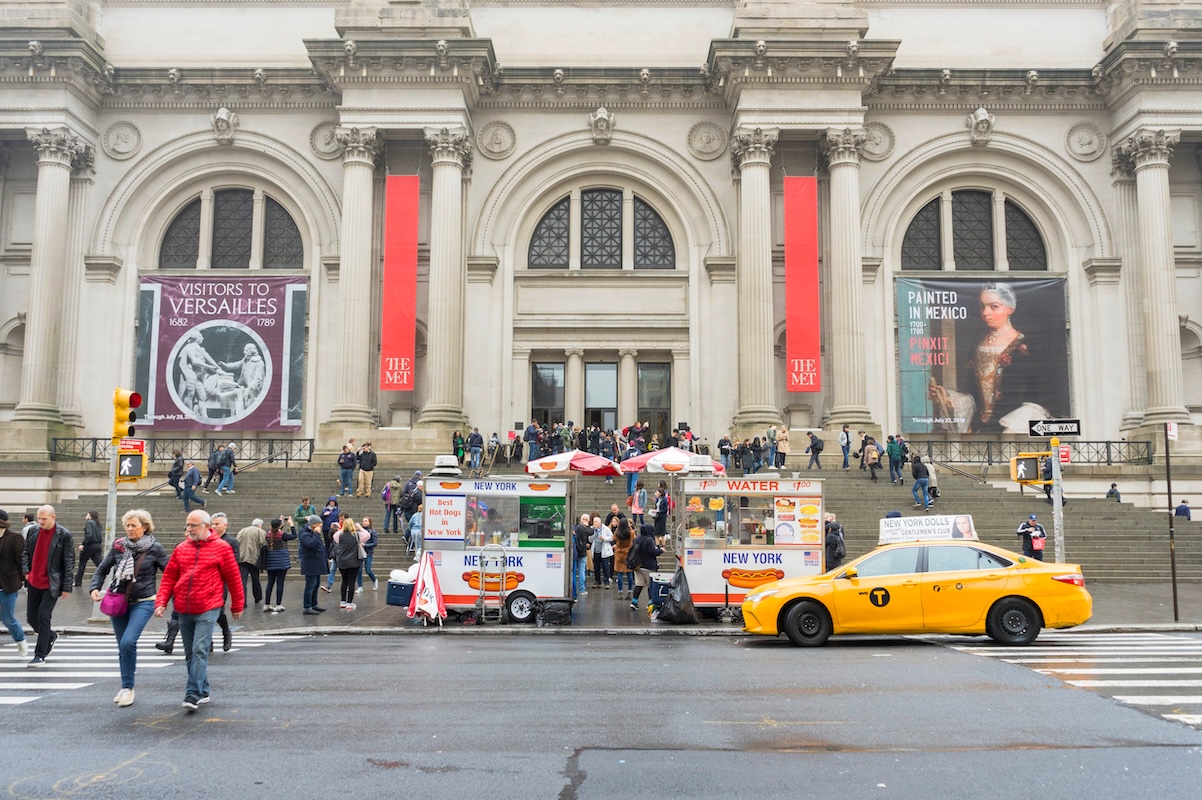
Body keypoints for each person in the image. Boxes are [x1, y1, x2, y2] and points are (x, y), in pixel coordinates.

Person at [928, 281, 1057, 433]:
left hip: (1014, 426)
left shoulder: (1027, 346)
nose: (985, 312)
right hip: (982, 428)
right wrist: (948, 401)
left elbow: (1038, 391)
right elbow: (973, 395)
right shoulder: (977, 345)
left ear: (1010, 308)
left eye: (993, 306)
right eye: (982, 306)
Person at [155, 509, 245, 711]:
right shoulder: (181, 548)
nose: (189, 529)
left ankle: (192, 693)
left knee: (199, 649)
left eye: (193, 525)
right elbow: (169, 577)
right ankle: (203, 690)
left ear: (207, 527)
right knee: (190, 652)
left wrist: (237, 604)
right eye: (187, 525)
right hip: (183, 608)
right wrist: (161, 601)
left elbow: (233, 578)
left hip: (208, 606)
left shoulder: (222, 548)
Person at [89, 508, 169, 708]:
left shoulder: (155, 548)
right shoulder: (118, 547)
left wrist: (163, 600)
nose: (130, 529)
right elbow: (102, 569)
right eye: (127, 525)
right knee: (122, 646)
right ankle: (126, 687)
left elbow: (169, 573)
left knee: (128, 641)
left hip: (144, 601)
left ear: (145, 527)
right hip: (119, 601)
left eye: (134, 525)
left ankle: (128, 688)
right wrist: (95, 587)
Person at [21, 505, 73, 667]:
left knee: (43, 616)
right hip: (34, 581)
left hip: (52, 582)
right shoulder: (33, 531)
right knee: (31, 618)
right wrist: (26, 570)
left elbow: (69, 561)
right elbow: (25, 553)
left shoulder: (63, 534)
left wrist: (66, 586)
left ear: (53, 517)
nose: (41, 521)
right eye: (39, 518)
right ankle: (50, 635)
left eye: (44, 519)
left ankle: (40, 654)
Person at [0, 511, 29, 657]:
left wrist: (22, 579)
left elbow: (21, 561)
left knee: (7, 618)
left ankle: (21, 641)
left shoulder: (15, 538)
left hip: (8, 584)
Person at [209, 512, 236, 650]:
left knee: (218, 611)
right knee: (206, 612)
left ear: (225, 525)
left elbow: (233, 565)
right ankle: (208, 641)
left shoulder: (230, 542)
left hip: (221, 581)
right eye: (212, 524)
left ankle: (226, 632)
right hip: (206, 581)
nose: (213, 526)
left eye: (217, 524)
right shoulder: (206, 541)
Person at [262, 517, 297, 612]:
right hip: (281, 561)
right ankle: (278, 604)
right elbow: (294, 536)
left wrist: (280, 520)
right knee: (280, 583)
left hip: (270, 561)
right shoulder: (283, 535)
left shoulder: (268, 534)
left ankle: (267, 603)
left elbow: (275, 530)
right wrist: (291, 524)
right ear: (280, 526)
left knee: (270, 583)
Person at [333, 515, 368, 610]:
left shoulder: (340, 535)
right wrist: (360, 527)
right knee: (351, 582)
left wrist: (342, 528)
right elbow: (367, 535)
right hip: (354, 561)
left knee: (344, 581)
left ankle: (342, 601)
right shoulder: (357, 535)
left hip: (342, 561)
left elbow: (334, 536)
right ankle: (349, 602)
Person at [629, 523, 663, 612]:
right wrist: (660, 550)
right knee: (650, 585)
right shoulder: (649, 540)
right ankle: (650, 603)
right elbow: (653, 551)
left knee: (639, 584)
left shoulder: (637, 539)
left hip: (637, 566)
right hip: (648, 566)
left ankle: (634, 602)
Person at [298, 515, 328, 615]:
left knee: (316, 584)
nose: (321, 526)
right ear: (314, 525)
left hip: (317, 562)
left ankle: (313, 604)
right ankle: (307, 606)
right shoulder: (304, 533)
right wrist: (316, 533)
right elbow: (310, 544)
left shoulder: (312, 532)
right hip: (310, 563)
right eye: (320, 525)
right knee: (310, 585)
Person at [236, 518, 266, 607]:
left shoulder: (242, 530)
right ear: (260, 525)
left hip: (241, 558)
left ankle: (242, 601)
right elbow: (263, 544)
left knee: (243, 580)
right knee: (255, 578)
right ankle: (257, 596)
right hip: (253, 558)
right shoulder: (260, 532)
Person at [74, 510, 103, 587]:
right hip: (98, 545)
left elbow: (89, 535)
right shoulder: (98, 524)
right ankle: (106, 577)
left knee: (82, 563)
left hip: (89, 545)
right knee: (99, 564)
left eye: (87, 515)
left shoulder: (89, 523)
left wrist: (83, 544)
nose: (85, 516)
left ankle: (78, 581)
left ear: (90, 516)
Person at [612, 519, 635, 599]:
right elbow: (634, 538)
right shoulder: (631, 532)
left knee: (620, 573)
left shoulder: (617, 532)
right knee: (629, 573)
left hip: (619, 553)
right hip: (628, 553)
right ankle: (629, 590)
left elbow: (613, 538)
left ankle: (620, 591)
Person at [357, 517, 378, 592]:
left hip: (368, 553)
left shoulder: (373, 532)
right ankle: (360, 586)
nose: (364, 522)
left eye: (366, 521)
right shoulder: (359, 531)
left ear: (370, 522)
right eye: (363, 521)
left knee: (368, 570)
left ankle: (374, 580)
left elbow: (375, 543)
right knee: (359, 570)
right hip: (360, 552)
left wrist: (365, 545)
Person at [573, 514, 591, 595]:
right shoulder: (584, 529)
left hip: (574, 551)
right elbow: (592, 532)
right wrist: (587, 526)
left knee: (573, 571)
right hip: (582, 551)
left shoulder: (575, 527)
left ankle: (573, 590)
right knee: (581, 571)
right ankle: (581, 589)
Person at [590, 515, 610, 589]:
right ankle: (597, 581)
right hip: (595, 551)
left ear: (600, 523)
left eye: (596, 522)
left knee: (605, 567)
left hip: (603, 551)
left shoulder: (606, 528)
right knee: (596, 567)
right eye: (594, 522)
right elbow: (590, 539)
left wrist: (604, 538)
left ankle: (606, 582)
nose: (594, 523)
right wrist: (594, 533)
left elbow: (611, 537)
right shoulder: (592, 529)